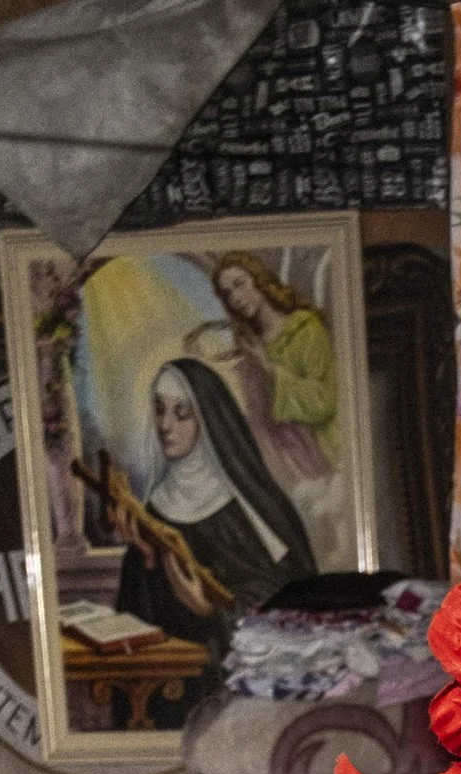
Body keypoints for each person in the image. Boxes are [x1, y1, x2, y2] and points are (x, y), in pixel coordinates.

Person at [111, 361, 313, 665]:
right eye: (160, 410)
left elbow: (291, 602)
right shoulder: (157, 506)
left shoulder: (247, 505)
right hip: (176, 674)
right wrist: (143, 557)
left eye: (182, 413)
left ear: (207, 420)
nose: (165, 425)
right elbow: (141, 612)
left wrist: (212, 611)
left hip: (235, 680)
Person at [208, 252, 340, 485]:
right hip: (281, 464)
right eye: (228, 294)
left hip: (321, 456)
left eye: (239, 284)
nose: (236, 297)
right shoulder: (249, 347)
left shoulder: (305, 328)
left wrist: (268, 368)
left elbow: (324, 402)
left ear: (259, 281)